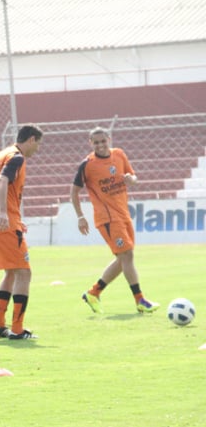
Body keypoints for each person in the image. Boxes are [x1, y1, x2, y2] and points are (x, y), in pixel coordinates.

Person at [71, 127, 158, 314]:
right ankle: (140, 300)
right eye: (96, 142)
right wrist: (80, 217)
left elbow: (133, 177)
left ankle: (93, 292)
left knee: (124, 258)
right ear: (90, 143)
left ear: (109, 139)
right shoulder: (87, 165)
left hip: (123, 214)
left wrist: (131, 180)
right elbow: (74, 191)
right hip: (107, 218)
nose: (100, 145)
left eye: (103, 141)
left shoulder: (119, 154)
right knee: (127, 256)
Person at [0, 124, 43, 340]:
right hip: (1, 220)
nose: (37, 150)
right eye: (38, 144)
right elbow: (1, 181)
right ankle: (17, 329)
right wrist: (5, 213)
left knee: (12, 272)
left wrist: (12, 215)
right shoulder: (17, 157)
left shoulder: (2, 154)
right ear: (31, 140)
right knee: (24, 272)